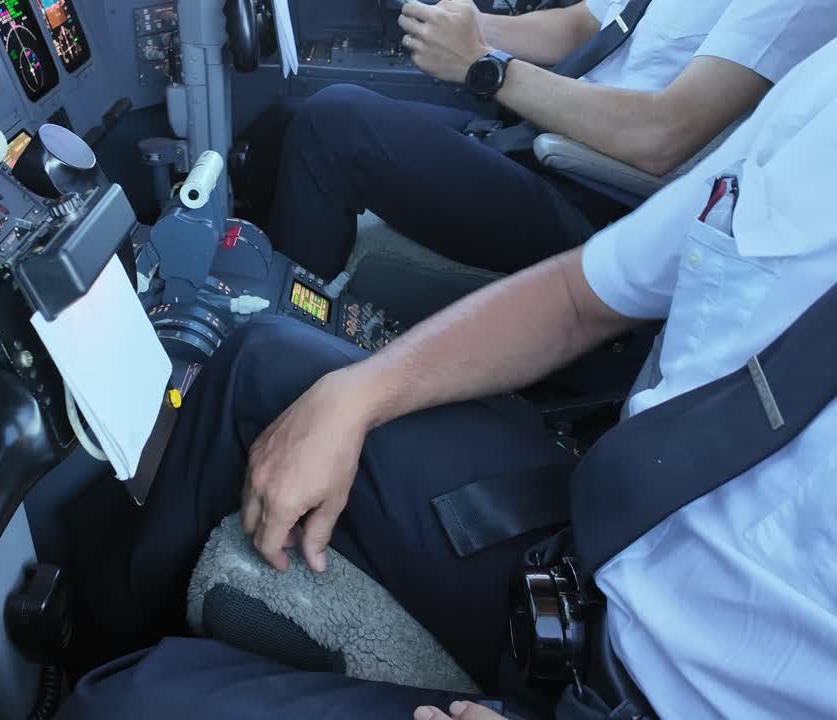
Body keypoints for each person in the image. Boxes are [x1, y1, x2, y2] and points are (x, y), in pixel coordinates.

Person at [61, 35, 837, 720]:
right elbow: (581, 296)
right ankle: (88, 632)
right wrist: (357, 393)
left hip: (666, 693)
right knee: (268, 362)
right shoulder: (821, 100)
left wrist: (485, 64)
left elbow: (660, 136)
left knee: (121, 707)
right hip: (598, 546)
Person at [268, 0, 837, 280]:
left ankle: (281, 359)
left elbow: (662, 135)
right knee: (283, 119)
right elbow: (583, 26)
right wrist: (456, 20)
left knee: (333, 124)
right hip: (544, 139)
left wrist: (482, 65)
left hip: (603, 203)